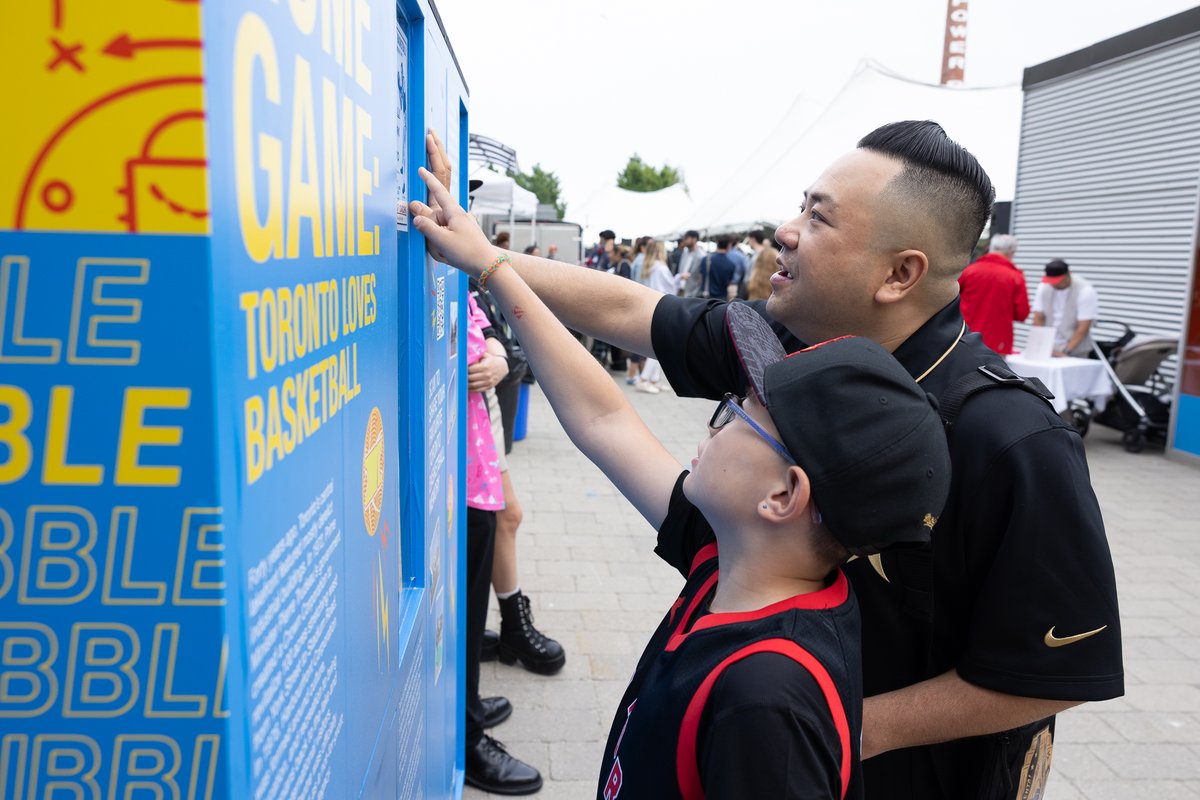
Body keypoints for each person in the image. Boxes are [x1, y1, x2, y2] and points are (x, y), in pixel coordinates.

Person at [418, 121, 1122, 799]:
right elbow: (635, 337)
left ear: (900, 273)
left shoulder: (1013, 438)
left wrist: (820, 726)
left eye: (819, 218)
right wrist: (487, 258)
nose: (786, 231)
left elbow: (1046, 674)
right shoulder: (789, 345)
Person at [462, 293, 543, 796]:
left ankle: (464, 710)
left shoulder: (446, 260)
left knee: (469, 601)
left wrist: (493, 350)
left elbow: (479, 315)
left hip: (466, 455)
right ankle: (466, 732)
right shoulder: (430, 245)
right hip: (455, 457)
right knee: (466, 603)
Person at [469, 282, 567, 677]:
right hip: (456, 408)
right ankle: (499, 627)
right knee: (492, 521)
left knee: (503, 517)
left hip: (478, 405)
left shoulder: (450, 256)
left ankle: (510, 623)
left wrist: (497, 355)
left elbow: (486, 324)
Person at [956, 233, 1029, 355]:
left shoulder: (970, 270)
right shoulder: (1014, 276)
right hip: (998, 342)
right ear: (1011, 252)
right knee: (993, 373)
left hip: (965, 336)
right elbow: (1022, 313)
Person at [1032, 259, 1098, 357]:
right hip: (1049, 346)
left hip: (1075, 349)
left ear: (1068, 275)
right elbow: (1038, 317)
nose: (1054, 284)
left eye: (1057, 281)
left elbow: (1083, 326)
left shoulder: (1085, 290)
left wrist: (1066, 350)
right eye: (1051, 281)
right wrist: (1037, 345)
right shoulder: (1044, 287)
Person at [636, 239, 674, 393]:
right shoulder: (661, 268)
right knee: (659, 347)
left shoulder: (645, 266)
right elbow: (671, 288)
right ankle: (644, 379)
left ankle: (653, 379)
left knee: (657, 345)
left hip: (648, 306)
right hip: (662, 307)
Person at [745, 230, 779, 301]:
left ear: (753, 239)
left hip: (755, 294)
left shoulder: (762, 256)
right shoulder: (771, 253)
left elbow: (748, 279)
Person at [676, 230, 706, 296]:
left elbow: (701, 277)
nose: (684, 240)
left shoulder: (701, 255)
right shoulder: (685, 252)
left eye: (686, 238)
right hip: (680, 289)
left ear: (694, 239)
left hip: (692, 292)